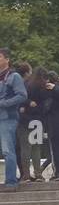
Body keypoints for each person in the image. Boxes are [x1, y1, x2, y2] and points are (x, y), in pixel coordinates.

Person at [0, 49, 28, 189]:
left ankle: (11, 181)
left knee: (7, 149)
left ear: (7, 59)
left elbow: (22, 96)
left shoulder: (14, 76)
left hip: (7, 118)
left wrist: (4, 103)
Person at [19, 68, 52, 183]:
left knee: (26, 148)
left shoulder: (26, 85)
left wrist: (26, 105)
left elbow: (21, 98)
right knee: (36, 147)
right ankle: (38, 173)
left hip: (25, 120)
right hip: (38, 120)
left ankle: (26, 174)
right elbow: (45, 105)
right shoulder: (44, 88)